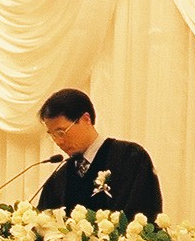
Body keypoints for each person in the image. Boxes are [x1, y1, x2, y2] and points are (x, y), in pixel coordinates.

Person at [36, 88, 163, 221]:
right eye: (52, 135)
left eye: (61, 132)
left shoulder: (130, 158)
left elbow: (143, 215)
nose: (58, 142)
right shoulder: (59, 178)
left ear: (86, 119)